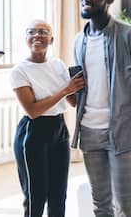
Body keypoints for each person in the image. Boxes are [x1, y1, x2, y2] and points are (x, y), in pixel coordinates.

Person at [71, 0, 131, 217]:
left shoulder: (129, 35)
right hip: (89, 133)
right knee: (101, 205)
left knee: (128, 206)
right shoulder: (79, 41)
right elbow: (82, 86)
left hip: (123, 134)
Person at [11, 20, 85, 217]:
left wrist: (80, 87)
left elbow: (71, 101)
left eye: (43, 32)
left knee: (58, 195)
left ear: (51, 39)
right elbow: (33, 110)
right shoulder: (20, 70)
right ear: (26, 38)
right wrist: (66, 90)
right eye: (31, 31)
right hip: (33, 132)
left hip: (59, 129)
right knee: (36, 197)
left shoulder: (58, 64)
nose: (37, 35)